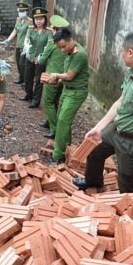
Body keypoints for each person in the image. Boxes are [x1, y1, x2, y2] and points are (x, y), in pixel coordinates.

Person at [73, 31, 133, 193]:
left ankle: (127, 215)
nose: (121, 55)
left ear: (131, 53)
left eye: (122, 52)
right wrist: (99, 127)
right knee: (94, 151)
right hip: (117, 129)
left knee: (128, 185)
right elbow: (120, 101)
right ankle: (93, 184)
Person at [42, 25, 89, 164]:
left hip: (77, 92)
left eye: (63, 46)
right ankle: (67, 148)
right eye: (59, 48)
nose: (62, 50)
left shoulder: (79, 54)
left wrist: (56, 75)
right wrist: (56, 80)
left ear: (71, 40)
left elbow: (69, 75)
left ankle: (58, 156)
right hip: (67, 90)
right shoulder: (69, 52)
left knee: (63, 120)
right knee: (62, 120)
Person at [38, 15, 69, 138]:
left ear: (55, 30)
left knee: (48, 102)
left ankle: (54, 128)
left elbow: (43, 60)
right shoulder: (68, 43)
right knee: (55, 100)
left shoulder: (52, 43)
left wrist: (40, 56)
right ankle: (48, 121)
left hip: (51, 76)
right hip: (63, 76)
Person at [22, 7, 50, 107]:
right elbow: (26, 38)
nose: (39, 21)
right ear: (34, 20)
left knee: (39, 80)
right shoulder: (30, 29)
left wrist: (43, 56)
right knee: (28, 77)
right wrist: (26, 45)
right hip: (30, 56)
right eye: (37, 19)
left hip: (41, 59)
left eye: (41, 19)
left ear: (44, 20)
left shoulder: (48, 31)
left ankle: (36, 100)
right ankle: (28, 94)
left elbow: (49, 45)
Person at [1, 3, 31, 86]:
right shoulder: (18, 20)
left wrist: (27, 46)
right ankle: (21, 78)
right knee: (18, 63)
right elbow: (15, 31)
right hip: (18, 45)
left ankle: (26, 81)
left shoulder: (30, 22)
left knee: (23, 64)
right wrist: (8, 40)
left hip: (25, 46)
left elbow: (30, 35)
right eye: (19, 11)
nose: (20, 12)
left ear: (27, 11)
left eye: (22, 11)